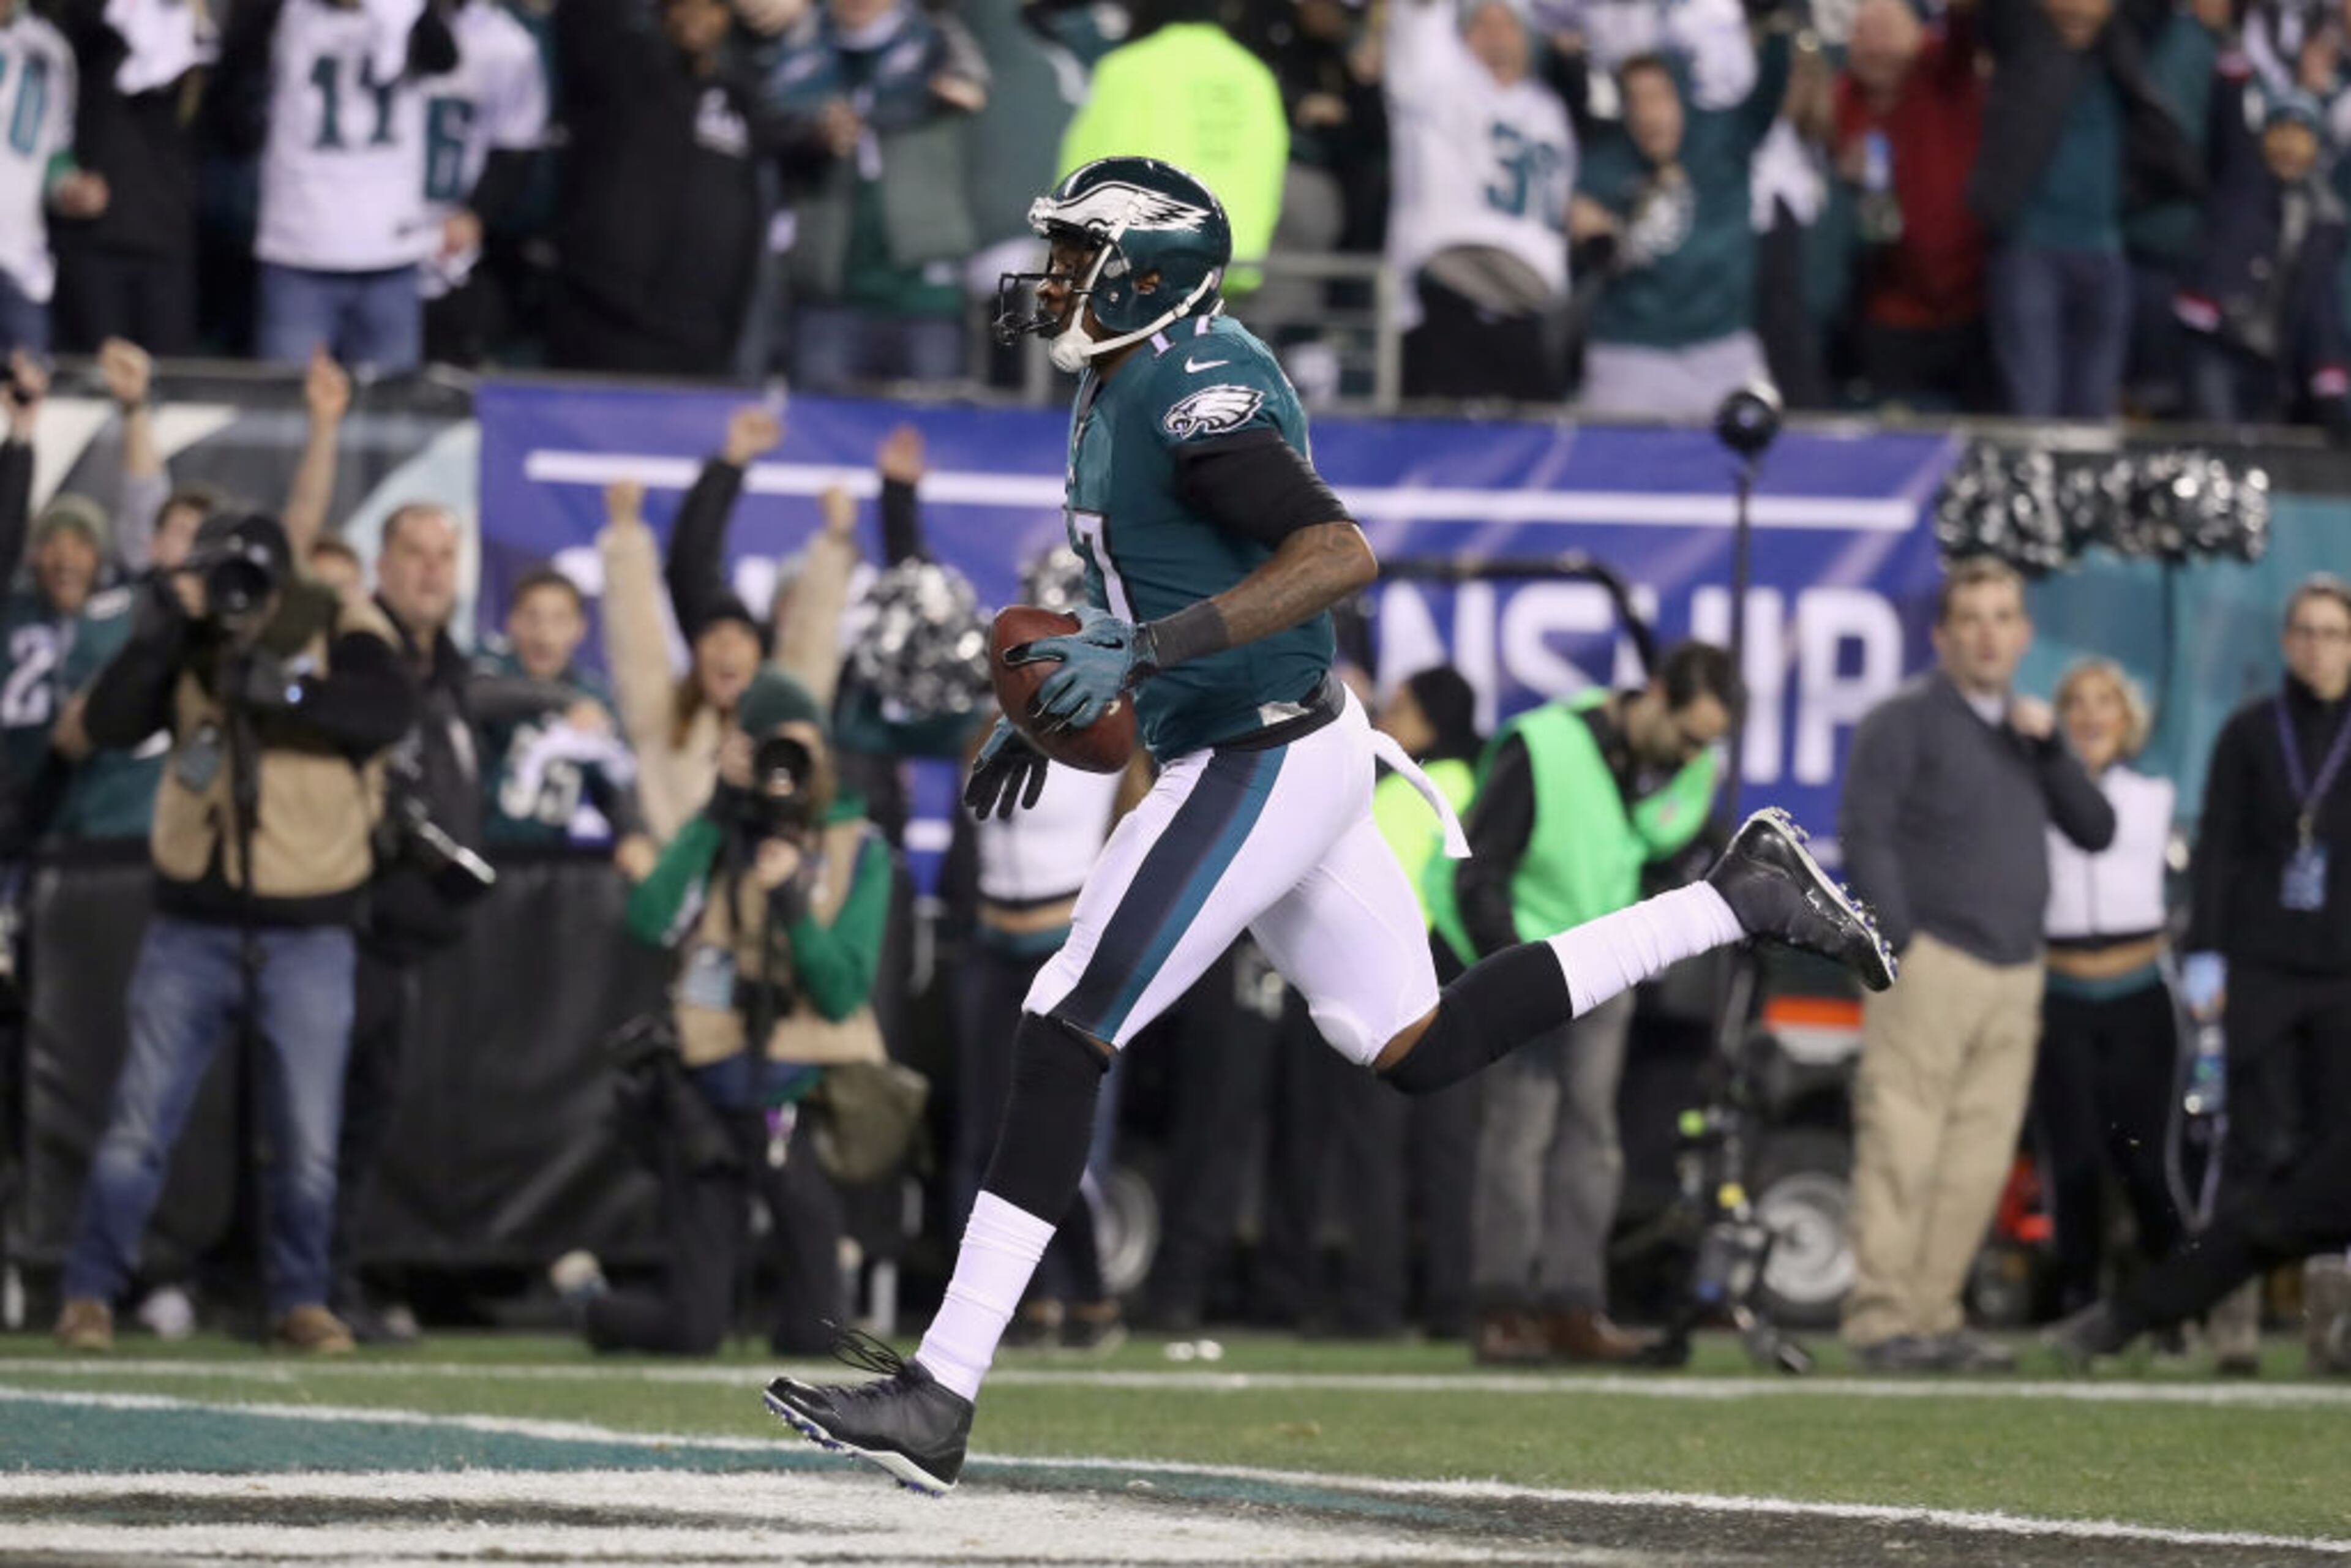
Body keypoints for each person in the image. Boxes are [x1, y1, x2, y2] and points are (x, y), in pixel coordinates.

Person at [762, 155, 1895, 1495]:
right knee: (1410, 1043)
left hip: (1259, 754)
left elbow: (1336, 554)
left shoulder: (1193, 386)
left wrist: (1148, 651)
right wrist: (1053, 698)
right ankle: (1739, 899)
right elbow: (1145, 574)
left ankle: (941, 1390)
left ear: (1146, 269)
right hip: (1278, 740)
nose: (1054, 274)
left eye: (1078, 250)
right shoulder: (1121, 377)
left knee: (1065, 1020)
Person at [51, 511, 416, 1352]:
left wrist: (288, 692)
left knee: (308, 1138)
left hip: (310, 921)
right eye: (225, 574)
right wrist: (163, 633)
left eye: (254, 577)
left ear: (287, 579)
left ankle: (300, 1298)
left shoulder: (335, 620)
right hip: (193, 921)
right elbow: (108, 724)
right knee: (140, 1124)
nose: (240, 596)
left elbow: (387, 708)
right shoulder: (187, 635)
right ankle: (89, 1294)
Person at [1837, 558, 2117, 1373]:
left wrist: (2053, 746)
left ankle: (1933, 1316)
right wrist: (1902, 941)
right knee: (1902, 1140)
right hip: (1933, 962)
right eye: (1972, 618)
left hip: (2017, 970)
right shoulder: (1905, 719)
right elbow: (1867, 830)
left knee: (1979, 1158)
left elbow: (2095, 827)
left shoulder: (2028, 731)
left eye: (2003, 617)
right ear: (1943, 635)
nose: (1989, 633)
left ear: (2024, 635)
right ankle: (1882, 1318)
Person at [1430, 642, 1735, 1364]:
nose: (1695, 756)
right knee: (1520, 1134)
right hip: (1529, 962)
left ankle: (1574, 1305)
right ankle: (1502, 1307)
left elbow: (1652, 859)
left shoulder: (1672, 772)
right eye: (1689, 736)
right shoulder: (1545, 746)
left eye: (1708, 744)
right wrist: (1513, 981)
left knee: (1592, 1140)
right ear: (1655, 694)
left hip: (1604, 971)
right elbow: (1480, 870)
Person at [571, 670, 890, 1356]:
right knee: (694, 1330)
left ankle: (814, 1283)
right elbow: (649, 918)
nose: (789, 774)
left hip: (797, 1095)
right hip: (708, 1095)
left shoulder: (858, 846)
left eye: (802, 751)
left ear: (825, 754)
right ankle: (594, 1307)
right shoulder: (721, 832)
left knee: (819, 1334)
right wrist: (716, 810)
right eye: (775, 751)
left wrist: (793, 904)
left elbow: (840, 994)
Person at [2179, 574, 2351, 1376]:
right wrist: (2206, 951)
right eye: (2306, 632)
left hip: (2344, 974)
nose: (2318, 646)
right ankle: (2232, 1321)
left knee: (2335, 1152)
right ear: (2287, 642)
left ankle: (2330, 1331)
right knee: (2251, 1142)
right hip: (2262, 971)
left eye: (2334, 633)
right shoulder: (2250, 733)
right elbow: (2217, 849)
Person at [336, 501, 492, 1341]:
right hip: (351, 928)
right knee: (324, 1122)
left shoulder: (450, 670)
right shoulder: (366, 658)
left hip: (414, 938)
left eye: (444, 554)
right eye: (415, 553)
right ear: (382, 563)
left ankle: (330, 1283)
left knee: (366, 1123)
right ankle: (305, 1288)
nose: (432, 570)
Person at [1968, 0, 2203, 419]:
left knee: (2093, 416)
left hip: (2105, 253)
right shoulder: (2025, 41)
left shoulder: (2119, 48)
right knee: (2033, 407)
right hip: (2030, 250)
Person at [2034, 658, 2183, 1318]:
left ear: (2128, 720)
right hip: (2060, 994)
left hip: (2138, 994)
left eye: (2106, 703)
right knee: (2072, 1162)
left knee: (2145, 1163)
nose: (2092, 716)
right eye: (2078, 704)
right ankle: (2079, 1300)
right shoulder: (2038, 794)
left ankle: (2176, 1299)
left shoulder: (2156, 796)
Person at [214, 0, 459, 372]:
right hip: (300, 247)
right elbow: (233, 74)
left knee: (387, 416)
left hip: (390, 250)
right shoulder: (285, 11)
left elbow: (446, 58)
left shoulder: (407, 13)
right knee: (293, 411)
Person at [769, 0, 990, 391]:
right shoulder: (801, 45)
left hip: (924, 289)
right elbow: (769, 118)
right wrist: (815, 136)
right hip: (830, 289)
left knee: (930, 439)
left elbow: (973, 86)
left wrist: (924, 93)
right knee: (819, 440)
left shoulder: (935, 38)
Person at [1570, 37, 1792, 419]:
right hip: (1631, 352)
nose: (1646, 113)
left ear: (1684, 97)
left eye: (1657, 96)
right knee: (1609, 469)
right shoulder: (1606, 165)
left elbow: (1772, 84)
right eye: (1634, 100)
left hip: (1722, 349)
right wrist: (1592, 236)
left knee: (1754, 464)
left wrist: (1776, 30)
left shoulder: (1724, 142)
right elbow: (1583, 226)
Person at [1382, 0, 1576, 402]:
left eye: (1507, 24)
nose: (1496, 35)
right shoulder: (1438, 84)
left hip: (1528, 314)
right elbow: (1420, 18)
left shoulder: (1550, 109)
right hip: (1448, 300)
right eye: (1481, 24)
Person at [1832, 0, 1992, 411]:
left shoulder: (1944, 78)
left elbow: (1963, 31)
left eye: (1886, 29)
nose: (1875, 45)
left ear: (1919, 35)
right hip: (1890, 314)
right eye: (1864, 31)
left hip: (1971, 305)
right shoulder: (1842, 101)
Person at [2175, 80, 2351, 431]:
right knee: (2219, 448)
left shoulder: (2325, 217)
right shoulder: (2239, 177)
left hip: (2271, 365)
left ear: (2316, 146)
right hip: (2217, 346)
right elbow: (2227, 113)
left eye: (2301, 134)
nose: (2289, 144)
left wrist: (2329, 376)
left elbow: (2320, 308)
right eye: (2281, 130)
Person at [48, 0, 204, 354]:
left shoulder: (202, 29)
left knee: (171, 390)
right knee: (91, 390)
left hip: (169, 239)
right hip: (94, 237)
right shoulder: (102, 25)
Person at [473, 566, 651, 873]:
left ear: (580, 628)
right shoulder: (489, 665)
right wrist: (562, 700)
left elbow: (613, 778)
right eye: (532, 618)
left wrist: (632, 833)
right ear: (511, 622)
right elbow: (475, 698)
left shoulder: (595, 694)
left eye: (559, 620)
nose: (544, 635)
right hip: (480, 854)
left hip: (549, 862)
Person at [0, 0, 100, 357]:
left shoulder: (49, 51)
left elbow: (53, 155)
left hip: (19, 262)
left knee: (28, 400)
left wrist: (70, 190)